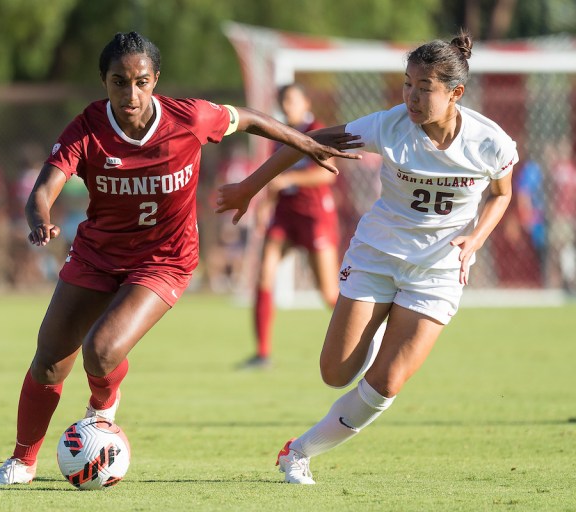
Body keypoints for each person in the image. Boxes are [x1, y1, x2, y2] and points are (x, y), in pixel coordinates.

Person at [0, 31, 360, 485]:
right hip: (97, 254)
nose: (131, 94)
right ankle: (22, 461)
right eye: (119, 82)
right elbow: (44, 188)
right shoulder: (88, 127)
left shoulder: (191, 117)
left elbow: (250, 119)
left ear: (155, 79)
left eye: (141, 82)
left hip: (165, 258)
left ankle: (102, 408)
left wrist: (307, 142)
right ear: (104, 82)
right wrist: (39, 217)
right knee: (48, 360)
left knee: (100, 352)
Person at [216, 30, 517, 484]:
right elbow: (310, 139)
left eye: (425, 88)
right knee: (335, 374)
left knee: (387, 383)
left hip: (437, 271)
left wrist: (475, 239)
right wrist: (248, 188)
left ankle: (298, 452)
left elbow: (501, 193)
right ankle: (374, 335)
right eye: (407, 84)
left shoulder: (490, 142)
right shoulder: (387, 125)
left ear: (455, 93)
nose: (411, 97)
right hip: (377, 256)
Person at [241, 83, 341, 369]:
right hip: (285, 215)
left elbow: (328, 177)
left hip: (315, 216)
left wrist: (290, 181)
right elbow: (274, 178)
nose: (287, 106)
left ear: (306, 101)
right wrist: (264, 207)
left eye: (291, 100)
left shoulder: (319, 129)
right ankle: (262, 353)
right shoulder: (279, 135)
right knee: (264, 274)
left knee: (328, 293)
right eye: (282, 101)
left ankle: (368, 338)